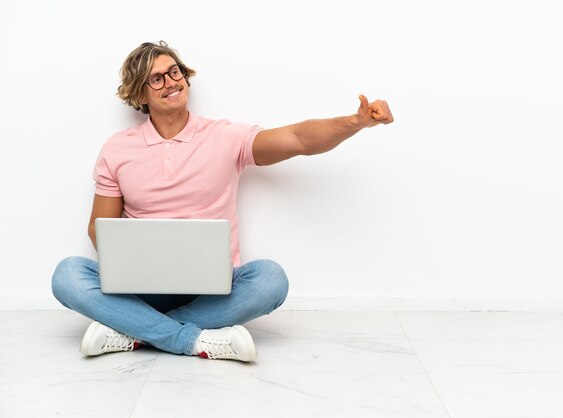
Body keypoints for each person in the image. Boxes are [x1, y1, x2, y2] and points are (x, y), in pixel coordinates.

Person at [51, 41, 394, 362]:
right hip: (141, 288)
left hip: (213, 288)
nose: (171, 81)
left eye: (175, 72)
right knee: (67, 275)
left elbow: (297, 139)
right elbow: (100, 232)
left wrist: (356, 122)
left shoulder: (224, 136)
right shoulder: (117, 149)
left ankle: (134, 331)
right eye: (157, 78)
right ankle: (194, 339)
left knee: (271, 280)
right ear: (140, 93)